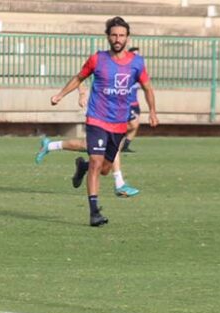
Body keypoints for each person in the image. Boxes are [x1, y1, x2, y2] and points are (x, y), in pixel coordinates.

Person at [50, 16, 158, 226]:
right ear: (108, 37)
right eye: (114, 35)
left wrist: (153, 111)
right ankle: (94, 212)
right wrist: (60, 95)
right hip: (97, 119)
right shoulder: (97, 59)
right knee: (97, 163)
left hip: (119, 123)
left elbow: (147, 88)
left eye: (122, 35)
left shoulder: (137, 63)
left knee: (105, 168)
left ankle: (82, 167)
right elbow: (79, 78)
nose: (118, 38)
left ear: (127, 37)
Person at [35, 79, 140, 198]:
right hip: (97, 108)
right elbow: (80, 77)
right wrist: (82, 94)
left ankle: (77, 162)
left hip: (111, 108)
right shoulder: (100, 61)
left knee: (102, 164)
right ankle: (119, 184)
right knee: (106, 143)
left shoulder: (120, 64)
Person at [122, 47, 142, 152]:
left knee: (136, 124)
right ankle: (110, 135)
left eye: (138, 55)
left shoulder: (139, 70)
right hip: (126, 103)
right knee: (133, 124)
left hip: (135, 103)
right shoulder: (124, 70)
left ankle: (125, 146)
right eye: (134, 55)